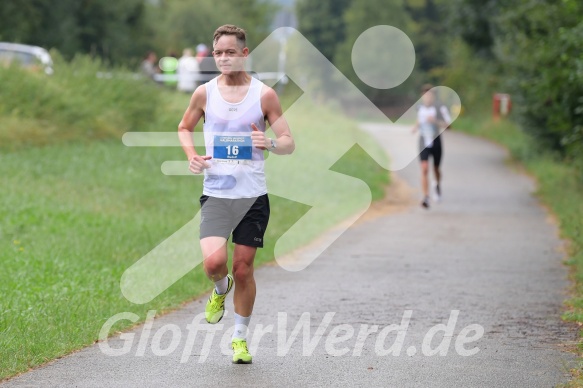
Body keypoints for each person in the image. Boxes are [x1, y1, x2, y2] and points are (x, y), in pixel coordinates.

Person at [177, 24, 295, 364]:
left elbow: (289, 142)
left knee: (244, 269)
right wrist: (192, 156)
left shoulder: (264, 95)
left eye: (231, 52)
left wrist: (269, 142)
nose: (224, 58)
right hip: (215, 192)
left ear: (245, 54)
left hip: (252, 196)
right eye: (218, 53)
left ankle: (239, 339)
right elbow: (184, 127)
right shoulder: (204, 93)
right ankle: (219, 289)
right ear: (212, 57)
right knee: (215, 263)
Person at [412, 84, 452, 209]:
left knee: (436, 169)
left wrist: (435, 121)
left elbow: (449, 125)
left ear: (433, 96)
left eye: (429, 95)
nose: (427, 97)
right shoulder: (419, 107)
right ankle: (426, 197)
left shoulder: (440, 108)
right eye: (425, 95)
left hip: (436, 141)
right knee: (424, 168)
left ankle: (437, 185)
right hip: (423, 141)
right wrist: (416, 126)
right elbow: (420, 119)